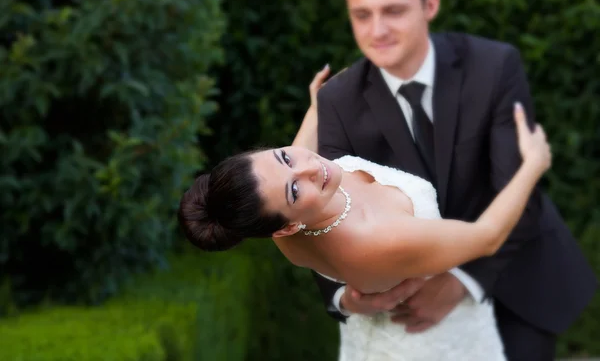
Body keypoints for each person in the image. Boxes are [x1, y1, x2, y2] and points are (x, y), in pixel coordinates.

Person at [311, 0, 597, 360]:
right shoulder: (338, 100)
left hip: (508, 279)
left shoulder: (494, 67)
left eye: (393, 11)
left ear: (430, 5)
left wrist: (458, 281)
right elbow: (324, 220)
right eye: (362, 14)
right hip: (404, 303)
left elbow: (519, 190)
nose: (377, 30)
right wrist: (349, 298)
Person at [180, 68, 552, 359]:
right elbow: (487, 238)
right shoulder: (376, 240)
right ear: (287, 226)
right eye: (295, 189)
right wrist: (532, 165)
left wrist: (317, 103)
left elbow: (297, 156)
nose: (310, 168)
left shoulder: (286, 220)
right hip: (430, 342)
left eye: (283, 156)